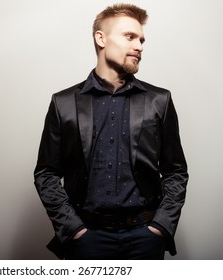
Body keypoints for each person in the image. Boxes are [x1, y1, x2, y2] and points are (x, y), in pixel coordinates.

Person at [34, 3, 188, 260]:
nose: (139, 46)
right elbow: (46, 173)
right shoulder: (63, 103)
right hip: (86, 238)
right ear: (100, 38)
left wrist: (161, 226)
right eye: (130, 36)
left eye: (141, 39)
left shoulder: (159, 100)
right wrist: (72, 229)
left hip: (145, 237)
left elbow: (175, 171)